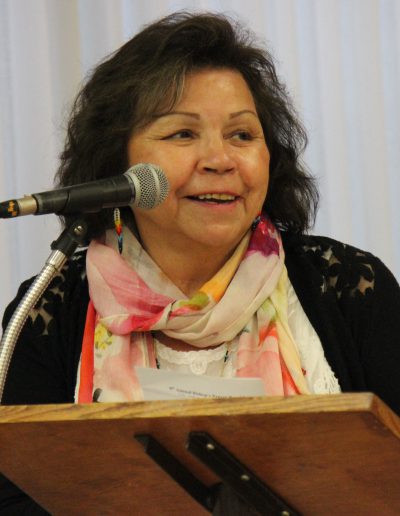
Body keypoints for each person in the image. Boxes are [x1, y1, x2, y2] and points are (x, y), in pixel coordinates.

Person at [1, 11, 399, 514]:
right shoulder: (50, 307)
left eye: (242, 135)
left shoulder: (350, 287)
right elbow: (17, 496)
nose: (220, 159)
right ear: (118, 163)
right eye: (182, 134)